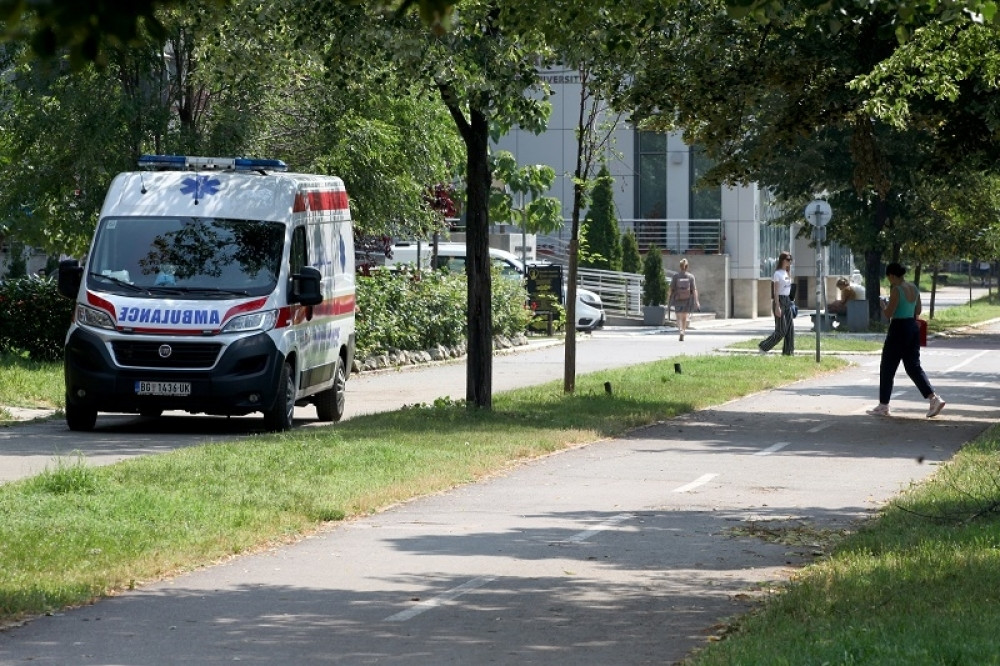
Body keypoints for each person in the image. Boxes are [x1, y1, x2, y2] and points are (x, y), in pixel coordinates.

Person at [867, 262, 945, 418]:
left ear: (892, 275)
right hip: (912, 327)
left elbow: (889, 313)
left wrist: (883, 305)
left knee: (887, 366)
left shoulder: (897, 290)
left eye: (889, 277)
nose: (889, 280)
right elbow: (918, 310)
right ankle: (934, 398)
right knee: (913, 366)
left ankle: (883, 405)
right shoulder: (914, 288)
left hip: (898, 328)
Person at [758, 251, 795, 355]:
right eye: (788, 259)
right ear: (782, 260)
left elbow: (788, 288)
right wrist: (777, 306)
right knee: (781, 330)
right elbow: (776, 292)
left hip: (787, 300)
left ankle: (788, 352)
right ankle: (763, 347)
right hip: (780, 300)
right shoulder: (777, 274)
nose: (790, 261)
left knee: (790, 329)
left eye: (791, 259)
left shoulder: (787, 272)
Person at [669, 257, 700, 341]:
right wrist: (697, 301)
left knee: (678, 316)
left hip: (678, 298)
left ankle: (680, 331)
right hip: (687, 299)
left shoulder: (676, 276)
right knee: (684, 317)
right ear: (687, 267)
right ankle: (684, 331)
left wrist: (668, 297)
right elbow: (694, 290)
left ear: (680, 266)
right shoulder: (691, 277)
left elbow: (671, 288)